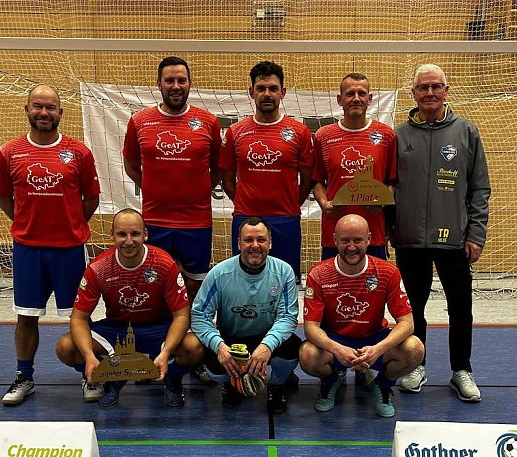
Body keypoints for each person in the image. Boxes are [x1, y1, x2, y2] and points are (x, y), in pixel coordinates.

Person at [0, 84, 100, 406]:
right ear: (26, 110)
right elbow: (3, 198)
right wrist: (29, 224)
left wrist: (68, 222)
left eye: (50, 107)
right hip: (29, 250)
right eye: (37, 106)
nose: (44, 113)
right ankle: (24, 376)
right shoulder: (9, 152)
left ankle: (89, 375)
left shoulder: (79, 153)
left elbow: (90, 199)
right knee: (26, 316)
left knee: (79, 317)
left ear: (60, 113)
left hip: (69, 250)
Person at [393, 63, 491, 403]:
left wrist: (476, 233)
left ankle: (461, 370)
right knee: (412, 308)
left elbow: (479, 189)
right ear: (414, 94)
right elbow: (388, 188)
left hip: (454, 240)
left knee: (460, 307)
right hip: (409, 241)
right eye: (423, 87)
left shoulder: (467, 132)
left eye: (436, 86)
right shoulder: (399, 135)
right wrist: (393, 229)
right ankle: (416, 366)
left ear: (446, 91)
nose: (430, 93)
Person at [54, 209, 204, 407]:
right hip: (117, 329)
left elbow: (182, 316)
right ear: (111, 235)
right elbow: (79, 318)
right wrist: (89, 357)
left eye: (135, 234)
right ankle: (111, 378)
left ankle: (172, 380)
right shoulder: (99, 268)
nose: (128, 241)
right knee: (66, 347)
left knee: (195, 347)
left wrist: (167, 351)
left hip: (158, 329)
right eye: (122, 234)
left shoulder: (163, 263)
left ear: (146, 234)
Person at [299, 214, 423, 418]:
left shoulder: (387, 272)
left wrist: (377, 350)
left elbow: (407, 323)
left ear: (369, 239)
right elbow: (310, 327)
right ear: (334, 240)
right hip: (336, 339)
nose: (351, 247)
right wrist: (338, 349)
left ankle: (382, 385)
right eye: (345, 240)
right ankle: (331, 381)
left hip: (374, 339)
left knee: (415, 348)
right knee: (307, 354)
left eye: (357, 240)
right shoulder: (318, 274)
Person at [122, 56, 222, 300]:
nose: (176, 86)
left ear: (190, 83)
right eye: (169, 80)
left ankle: (190, 336)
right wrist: (151, 187)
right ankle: (160, 337)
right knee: (155, 286)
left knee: (194, 288)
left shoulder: (208, 122)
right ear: (159, 83)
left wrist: (199, 191)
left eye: (181, 80)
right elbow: (131, 164)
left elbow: (219, 167)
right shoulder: (140, 121)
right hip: (156, 220)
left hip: (196, 222)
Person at [191, 217, 301, 414]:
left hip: (266, 338)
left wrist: (267, 345)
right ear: (239, 243)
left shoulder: (284, 271)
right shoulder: (219, 273)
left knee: (293, 348)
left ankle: (276, 385)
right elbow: (199, 316)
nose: (255, 246)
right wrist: (219, 346)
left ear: (270, 242)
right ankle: (231, 382)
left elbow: (288, 316)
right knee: (210, 361)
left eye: (261, 239)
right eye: (248, 240)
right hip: (231, 341)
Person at [220, 60, 314, 284]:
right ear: (251, 92)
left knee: (285, 283)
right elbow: (227, 180)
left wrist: (290, 204)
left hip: (286, 220)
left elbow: (307, 179)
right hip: (245, 218)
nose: (267, 94)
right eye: (261, 89)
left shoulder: (299, 132)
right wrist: (246, 204)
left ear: (283, 92)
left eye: (273, 89)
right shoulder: (235, 132)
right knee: (243, 281)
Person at [312, 73, 397, 262]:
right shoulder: (323, 136)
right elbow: (316, 180)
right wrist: (324, 203)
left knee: (374, 287)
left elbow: (392, 180)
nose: (356, 99)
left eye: (361, 93)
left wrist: (382, 203)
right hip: (334, 232)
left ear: (370, 99)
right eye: (350, 94)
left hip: (372, 232)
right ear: (340, 100)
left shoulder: (386, 135)